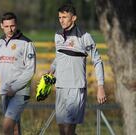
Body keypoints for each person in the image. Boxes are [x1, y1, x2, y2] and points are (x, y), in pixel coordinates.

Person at [49, 4, 107, 135]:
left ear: (74, 18)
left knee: (69, 130)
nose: (61, 20)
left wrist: (101, 86)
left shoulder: (85, 37)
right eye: (59, 17)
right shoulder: (57, 35)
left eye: (65, 17)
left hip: (76, 87)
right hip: (60, 87)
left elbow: (97, 61)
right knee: (62, 132)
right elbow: (59, 57)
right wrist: (51, 69)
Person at [0, 12, 36, 135]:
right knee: (13, 128)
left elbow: (30, 70)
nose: (10, 29)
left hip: (20, 92)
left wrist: (14, 88)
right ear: (1, 26)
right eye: (7, 26)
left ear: (16, 25)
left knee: (7, 127)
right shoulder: (0, 43)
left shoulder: (26, 43)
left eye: (12, 26)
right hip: (5, 91)